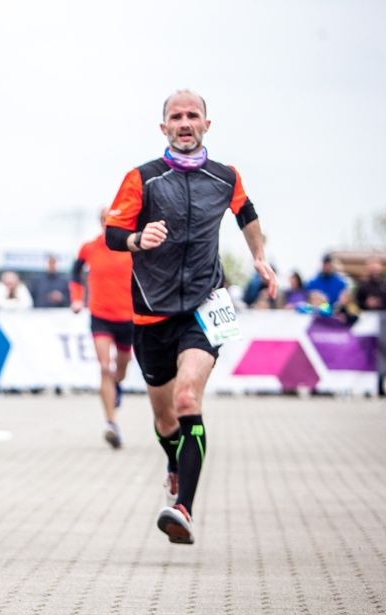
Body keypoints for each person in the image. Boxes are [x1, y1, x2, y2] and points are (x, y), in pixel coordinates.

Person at [104, 89, 275, 545]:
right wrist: (140, 238)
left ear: (206, 125)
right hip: (152, 314)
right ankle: (175, 467)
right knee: (164, 421)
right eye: (176, 116)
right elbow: (113, 234)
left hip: (205, 305)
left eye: (192, 115)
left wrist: (260, 257)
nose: (185, 122)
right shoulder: (143, 178)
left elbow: (248, 214)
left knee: (186, 400)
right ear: (164, 128)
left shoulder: (225, 177)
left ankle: (183, 509)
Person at [71, 210, 135, 449]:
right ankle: (111, 424)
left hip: (128, 317)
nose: (109, 224)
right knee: (104, 367)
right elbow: (74, 273)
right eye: (105, 220)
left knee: (121, 368)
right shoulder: (90, 248)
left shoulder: (131, 246)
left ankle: (117, 387)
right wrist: (77, 299)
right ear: (100, 222)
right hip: (100, 316)